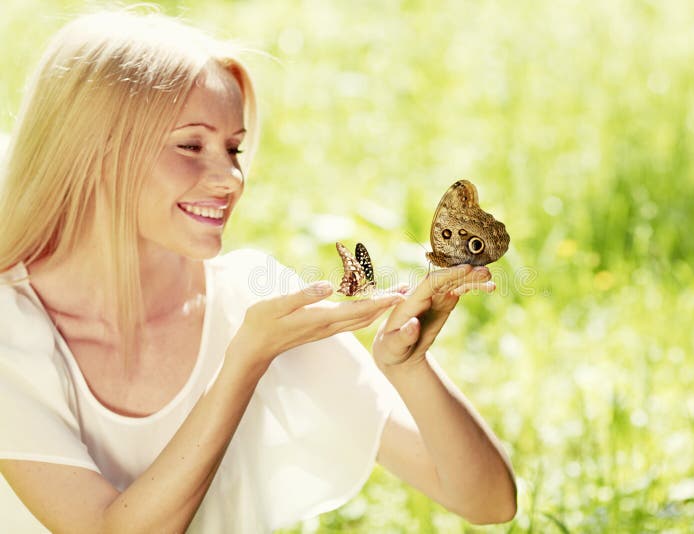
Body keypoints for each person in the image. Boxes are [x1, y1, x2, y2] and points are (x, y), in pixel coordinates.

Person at [0, 9, 516, 533]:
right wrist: (245, 359)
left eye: (233, 147)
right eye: (190, 145)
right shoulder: (10, 331)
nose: (230, 179)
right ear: (94, 152)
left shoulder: (250, 300)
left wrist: (409, 367)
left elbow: (487, 502)